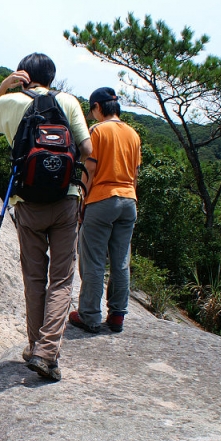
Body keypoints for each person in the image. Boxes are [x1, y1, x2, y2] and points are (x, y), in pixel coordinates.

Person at [0, 53, 92, 381]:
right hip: (65, 199)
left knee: (34, 278)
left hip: (26, 201)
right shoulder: (69, 102)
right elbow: (86, 148)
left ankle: (35, 347)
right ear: (52, 77)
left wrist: (3, 86)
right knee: (61, 279)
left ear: (24, 75)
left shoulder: (10, 102)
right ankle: (47, 352)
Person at [69, 87, 142, 334]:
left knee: (94, 260)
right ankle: (117, 315)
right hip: (128, 201)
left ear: (98, 107)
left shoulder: (97, 131)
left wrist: (82, 202)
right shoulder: (133, 134)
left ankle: (89, 315)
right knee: (121, 261)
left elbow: (89, 168)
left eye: (92, 110)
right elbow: (135, 174)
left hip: (101, 200)